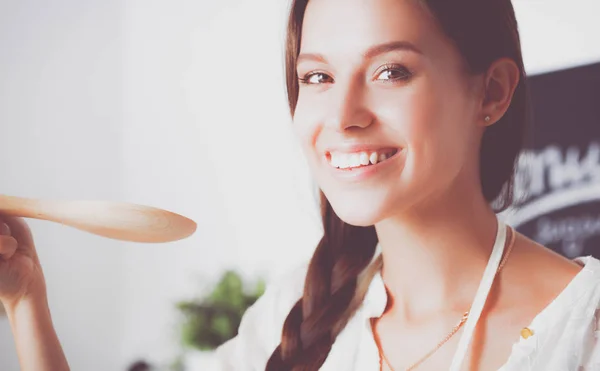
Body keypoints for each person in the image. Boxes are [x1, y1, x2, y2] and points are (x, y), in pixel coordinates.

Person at [0, 1, 598, 371]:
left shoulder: (584, 328)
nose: (341, 115)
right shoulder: (296, 312)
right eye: (316, 75)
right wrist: (26, 302)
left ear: (491, 92)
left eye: (391, 71)